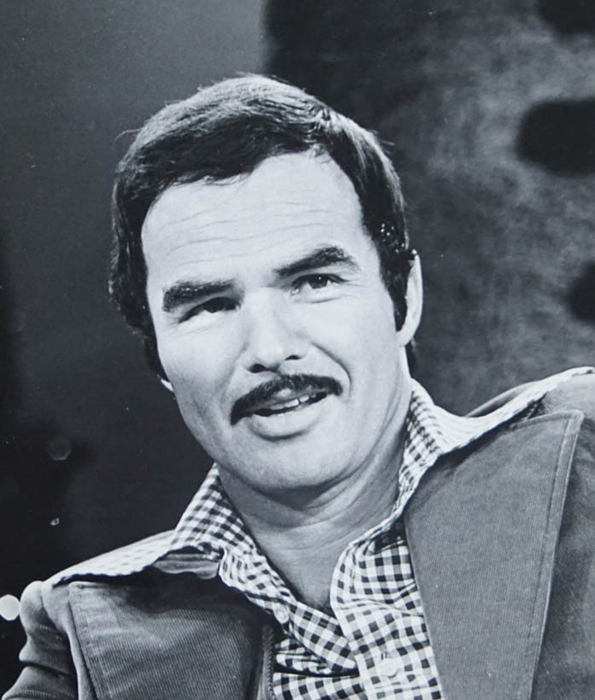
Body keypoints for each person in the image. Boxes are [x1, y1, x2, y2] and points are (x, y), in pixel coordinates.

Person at [5, 75, 595, 700]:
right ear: (158, 358)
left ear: (404, 298)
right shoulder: (79, 639)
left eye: (314, 281)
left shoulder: (581, 460)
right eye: (208, 306)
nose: (269, 348)